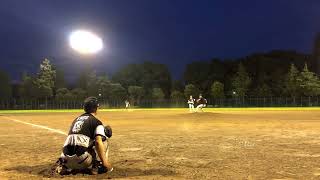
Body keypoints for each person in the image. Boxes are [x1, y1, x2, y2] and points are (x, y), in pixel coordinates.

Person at [54, 97, 113, 175]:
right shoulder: (96, 122)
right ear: (96, 108)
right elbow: (98, 142)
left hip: (65, 160)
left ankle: (64, 167)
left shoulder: (76, 120)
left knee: (77, 140)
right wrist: (106, 163)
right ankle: (97, 166)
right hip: (82, 161)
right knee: (103, 139)